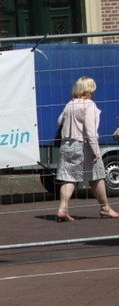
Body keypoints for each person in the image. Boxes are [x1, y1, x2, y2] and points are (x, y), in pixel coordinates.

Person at [55, 76, 119, 221]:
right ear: (90, 89)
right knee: (97, 176)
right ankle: (105, 208)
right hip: (84, 145)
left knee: (69, 177)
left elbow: (59, 121)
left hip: (67, 145)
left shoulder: (70, 104)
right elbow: (90, 131)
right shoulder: (89, 105)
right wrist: (96, 152)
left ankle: (62, 209)